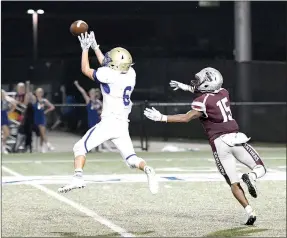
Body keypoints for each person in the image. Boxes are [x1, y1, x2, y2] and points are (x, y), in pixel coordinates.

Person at [144, 67, 266, 225]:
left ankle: (250, 211)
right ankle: (251, 177)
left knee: (233, 182)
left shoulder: (201, 102)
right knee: (260, 168)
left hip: (220, 144)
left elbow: (186, 117)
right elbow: (207, 91)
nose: (196, 83)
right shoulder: (224, 93)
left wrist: (162, 117)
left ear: (207, 84)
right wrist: (185, 87)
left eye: (200, 81)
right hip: (236, 138)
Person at [58, 32, 158, 194]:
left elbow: (85, 69)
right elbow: (107, 65)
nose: (108, 60)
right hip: (122, 124)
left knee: (79, 147)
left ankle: (78, 178)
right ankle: (147, 169)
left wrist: (85, 49)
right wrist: (95, 47)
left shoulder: (109, 74)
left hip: (109, 122)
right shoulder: (131, 74)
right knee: (131, 160)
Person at [32, 88, 55, 153]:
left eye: (41, 92)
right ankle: (46, 145)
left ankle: (44, 146)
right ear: (36, 93)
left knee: (42, 132)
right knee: (42, 132)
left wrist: (46, 111)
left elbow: (52, 107)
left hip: (41, 118)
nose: (39, 93)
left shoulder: (44, 100)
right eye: (38, 92)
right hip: (35, 118)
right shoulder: (34, 100)